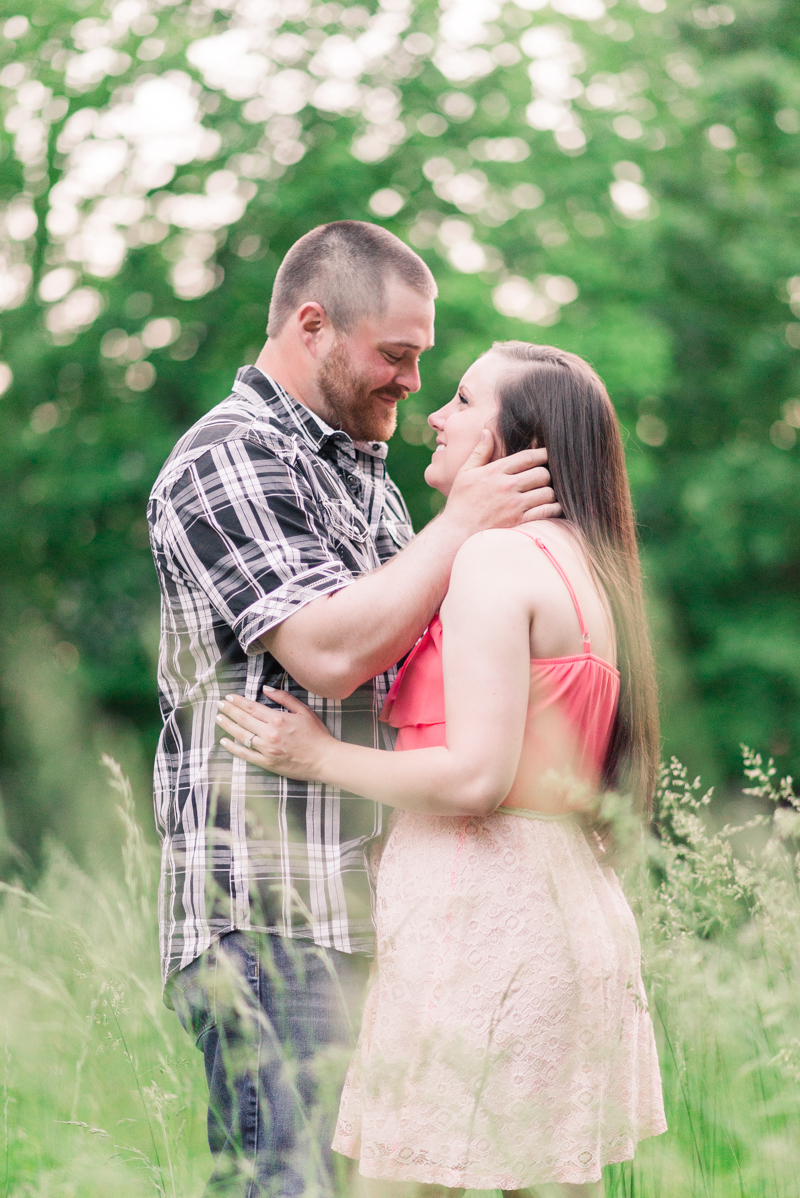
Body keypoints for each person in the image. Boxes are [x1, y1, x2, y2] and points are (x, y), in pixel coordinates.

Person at [147, 223, 560, 1197]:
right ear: (312, 325)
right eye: (397, 354)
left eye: (422, 357)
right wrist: (461, 524)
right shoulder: (228, 459)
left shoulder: (366, 476)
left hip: (380, 918)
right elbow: (327, 652)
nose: (414, 381)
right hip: (270, 918)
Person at [216, 341, 668, 1196]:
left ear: (512, 446)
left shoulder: (498, 561)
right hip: (562, 902)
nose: (436, 415)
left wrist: (317, 754)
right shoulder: (590, 564)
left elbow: (474, 780)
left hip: (487, 919)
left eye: (463, 402)